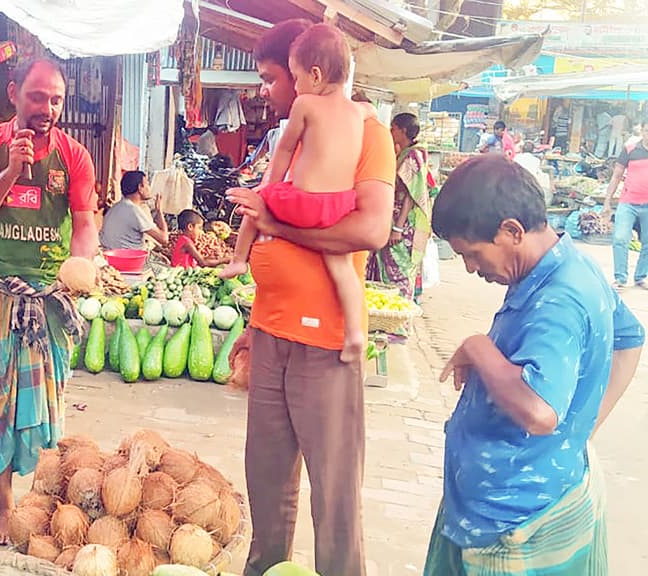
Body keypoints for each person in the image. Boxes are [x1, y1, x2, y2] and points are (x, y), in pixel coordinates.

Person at [225, 19, 396, 576]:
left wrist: (277, 225)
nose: (270, 92)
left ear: (310, 76)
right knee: (268, 481)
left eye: (274, 79)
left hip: (327, 345)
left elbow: (371, 230)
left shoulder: (367, 132)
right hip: (273, 335)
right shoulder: (295, 134)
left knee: (334, 492)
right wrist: (255, 323)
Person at [424, 155, 644, 575]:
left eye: (473, 254)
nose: (471, 268)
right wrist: (582, 429)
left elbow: (539, 412)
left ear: (512, 231)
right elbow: (630, 337)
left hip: (512, 518)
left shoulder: (556, 302)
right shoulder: (570, 264)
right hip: (512, 497)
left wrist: (479, 347)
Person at [0, 58, 98, 545]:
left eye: (56, 99)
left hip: (47, 298)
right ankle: (4, 504)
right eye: (38, 97)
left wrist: (83, 263)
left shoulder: (74, 156)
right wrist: (12, 171)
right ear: (15, 92)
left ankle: (44, 500)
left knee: (48, 401)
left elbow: (83, 222)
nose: (48, 108)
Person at [222, 24, 369, 362]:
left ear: (310, 75)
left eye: (275, 78)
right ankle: (356, 335)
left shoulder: (309, 108)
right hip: (338, 207)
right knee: (341, 267)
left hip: (318, 343)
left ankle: (237, 260)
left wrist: (269, 197)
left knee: (253, 203)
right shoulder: (357, 115)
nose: (263, 91)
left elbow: (284, 152)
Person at [367, 113, 432, 301]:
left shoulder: (414, 155)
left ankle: (399, 321)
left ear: (403, 131)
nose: (390, 132)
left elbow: (411, 195)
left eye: (393, 128)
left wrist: (398, 227)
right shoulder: (403, 153)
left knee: (398, 276)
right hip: (393, 219)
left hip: (403, 224)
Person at [602, 117, 648, 290]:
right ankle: (620, 278)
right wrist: (607, 202)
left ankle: (640, 277)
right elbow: (616, 176)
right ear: (642, 131)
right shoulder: (630, 149)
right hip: (628, 203)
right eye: (646, 131)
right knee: (620, 239)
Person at [100, 170, 168, 250]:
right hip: (129, 259)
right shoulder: (134, 210)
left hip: (113, 255)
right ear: (140, 188)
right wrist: (159, 211)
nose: (149, 188)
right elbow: (164, 239)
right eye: (148, 184)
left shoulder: (116, 207)